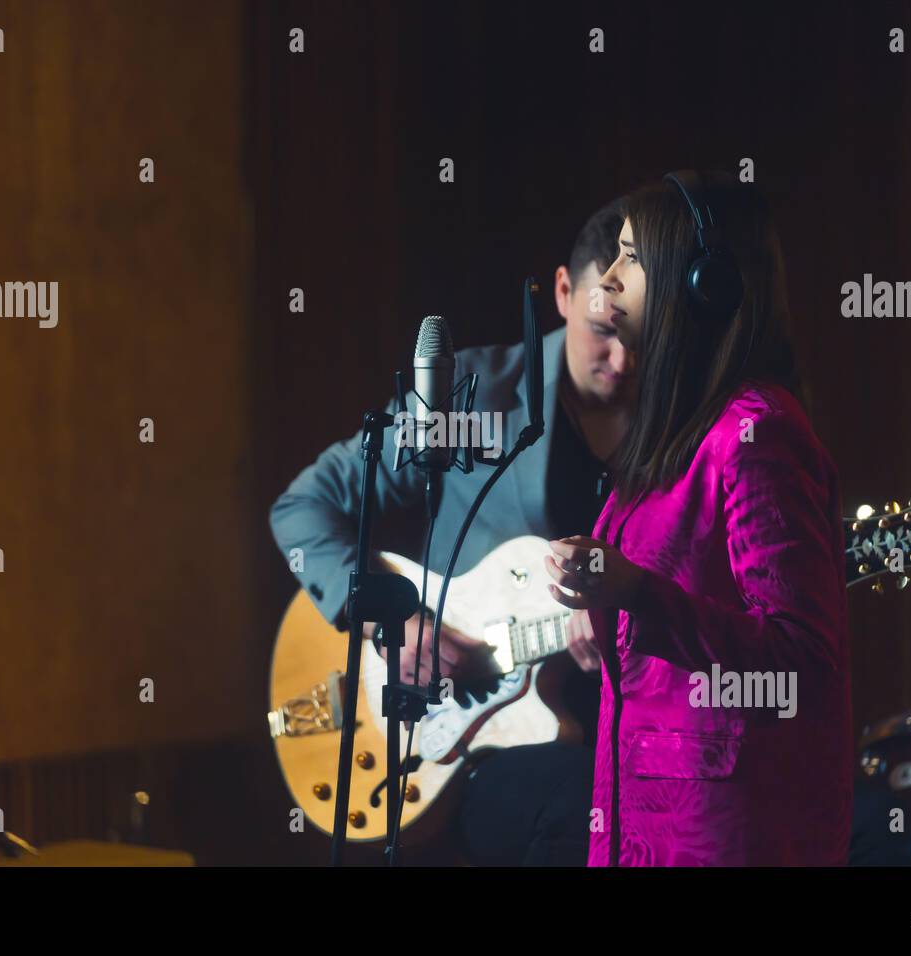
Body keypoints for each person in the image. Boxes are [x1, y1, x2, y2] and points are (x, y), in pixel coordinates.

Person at [269, 198, 636, 865]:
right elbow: (303, 506)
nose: (623, 357)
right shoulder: (479, 394)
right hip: (480, 750)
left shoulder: (687, 433)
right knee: (590, 807)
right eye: (603, 329)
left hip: (620, 724)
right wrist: (391, 620)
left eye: (644, 334)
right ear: (562, 291)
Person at [544, 170, 853, 866]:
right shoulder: (674, 442)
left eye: (634, 258)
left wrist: (633, 591)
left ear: (700, 286)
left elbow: (799, 662)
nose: (611, 278)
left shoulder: (757, 434)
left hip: (719, 834)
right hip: (637, 819)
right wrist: (593, 606)